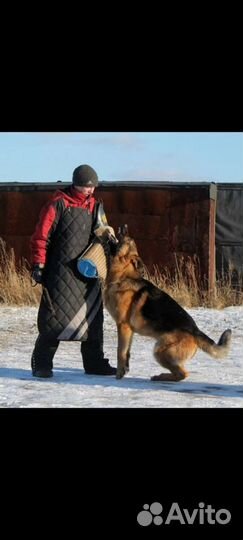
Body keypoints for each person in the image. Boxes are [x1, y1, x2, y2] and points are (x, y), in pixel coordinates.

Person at [30, 164, 117, 378]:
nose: (91, 191)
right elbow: (41, 237)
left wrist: (113, 243)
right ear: (76, 185)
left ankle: (94, 362)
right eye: (87, 187)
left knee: (93, 319)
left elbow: (103, 232)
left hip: (88, 272)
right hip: (60, 272)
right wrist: (38, 264)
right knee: (55, 318)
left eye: (94, 187)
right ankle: (42, 363)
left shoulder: (96, 206)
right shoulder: (57, 204)